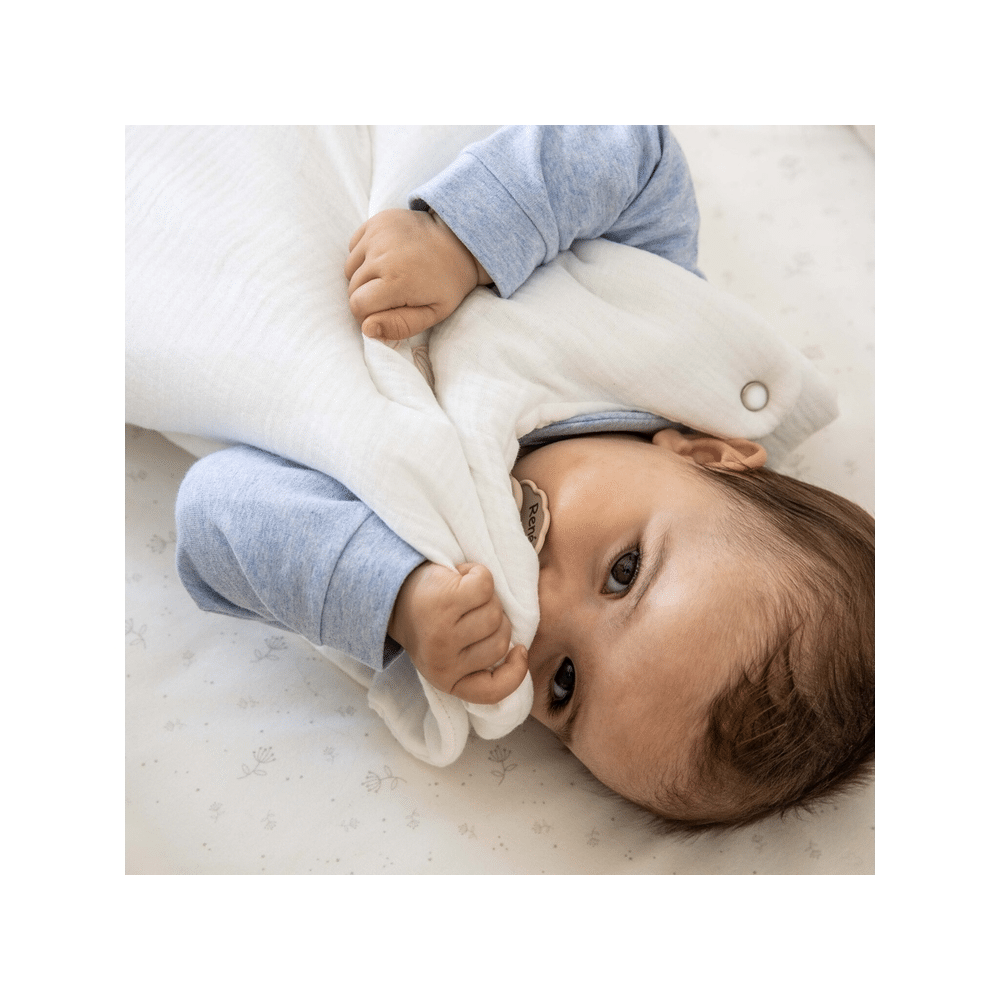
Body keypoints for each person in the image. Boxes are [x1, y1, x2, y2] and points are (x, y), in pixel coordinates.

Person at [176, 126, 874, 831]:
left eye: (563, 683)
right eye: (624, 571)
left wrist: (394, 597)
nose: (544, 605)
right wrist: (460, 241)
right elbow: (627, 144)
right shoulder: (645, 322)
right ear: (706, 455)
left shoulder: (431, 572)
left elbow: (211, 512)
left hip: (197, 255)